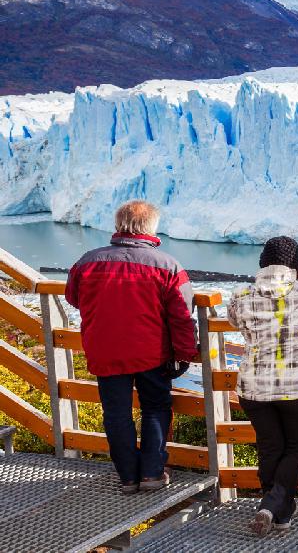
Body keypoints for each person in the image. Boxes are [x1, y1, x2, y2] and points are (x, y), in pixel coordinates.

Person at [65, 200, 197, 494]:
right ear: (151, 227)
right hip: (152, 353)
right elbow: (182, 317)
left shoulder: (86, 262)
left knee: (116, 413)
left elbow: (73, 297)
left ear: (118, 225)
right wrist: (185, 354)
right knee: (155, 408)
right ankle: (151, 473)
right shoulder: (168, 266)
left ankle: (127, 477)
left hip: (105, 352)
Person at [227, 236, 298, 536]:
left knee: (270, 447)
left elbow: (233, 322)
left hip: (254, 387)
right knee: (296, 448)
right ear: (296, 264)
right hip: (297, 386)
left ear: (262, 263)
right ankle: (272, 505)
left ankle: (278, 512)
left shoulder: (241, 295)